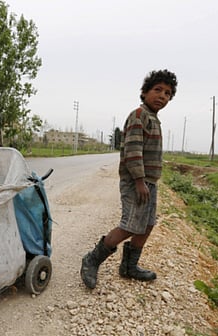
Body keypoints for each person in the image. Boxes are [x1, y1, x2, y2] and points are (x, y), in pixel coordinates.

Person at [80, 69, 178, 289]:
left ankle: (128, 267)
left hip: (149, 183)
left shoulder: (154, 119)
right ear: (144, 93)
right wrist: (139, 180)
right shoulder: (139, 115)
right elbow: (133, 150)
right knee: (131, 226)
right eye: (157, 90)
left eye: (168, 93)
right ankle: (92, 259)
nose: (162, 96)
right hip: (137, 182)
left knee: (148, 225)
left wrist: (147, 181)